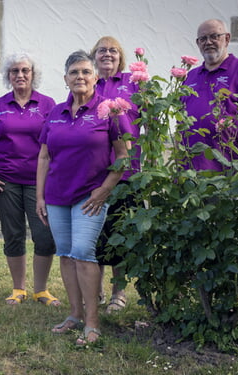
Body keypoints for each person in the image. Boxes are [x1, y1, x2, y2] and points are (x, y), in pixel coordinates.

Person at [36, 50, 132, 345]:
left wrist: (105, 189)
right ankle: (75, 314)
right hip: (56, 196)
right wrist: (39, 196)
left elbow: (123, 157)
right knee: (65, 253)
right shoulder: (55, 112)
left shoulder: (109, 110)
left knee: (83, 252)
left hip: (90, 196)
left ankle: (92, 322)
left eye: (85, 72)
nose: (80, 77)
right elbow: (43, 156)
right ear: (65, 79)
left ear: (95, 77)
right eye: (74, 72)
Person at [0, 52, 59, 307]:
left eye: (25, 70)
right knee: (13, 234)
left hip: (40, 182)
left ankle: (40, 290)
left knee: (44, 235)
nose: (20, 75)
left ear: (33, 74)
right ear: (8, 76)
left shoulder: (48, 105)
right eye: (15, 71)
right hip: (5, 180)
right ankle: (18, 289)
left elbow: (56, 143)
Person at [91, 36, 141, 313]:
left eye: (113, 51)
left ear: (120, 57)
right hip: (94, 173)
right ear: (94, 57)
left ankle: (118, 292)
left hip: (127, 171)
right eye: (101, 51)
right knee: (94, 235)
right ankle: (95, 291)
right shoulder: (88, 83)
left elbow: (151, 121)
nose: (107, 55)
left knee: (122, 234)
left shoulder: (134, 84)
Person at [181, 19, 238, 171]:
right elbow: (181, 119)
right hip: (190, 170)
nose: (208, 42)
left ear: (227, 39)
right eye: (203, 39)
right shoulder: (190, 77)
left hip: (229, 169)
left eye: (214, 36)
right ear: (197, 43)